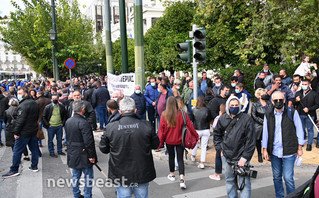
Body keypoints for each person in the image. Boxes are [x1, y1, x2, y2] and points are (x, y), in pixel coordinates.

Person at [99, 98, 159, 198]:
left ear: (120, 111)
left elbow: (103, 148)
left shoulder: (111, 127)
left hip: (120, 171)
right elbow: (155, 145)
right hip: (142, 170)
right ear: (135, 110)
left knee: (123, 196)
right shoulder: (146, 125)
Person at [262, 91, 306, 198]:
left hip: (289, 150)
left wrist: (300, 147)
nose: (278, 102)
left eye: (280, 100)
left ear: (284, 100)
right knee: (276, 177)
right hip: (274, 151)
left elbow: (300, 130)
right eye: (275, 100)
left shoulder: (292, 112)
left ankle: (292, 196)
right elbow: (265, 133)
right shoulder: (268, 114)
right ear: (272, 101)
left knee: (288, 178)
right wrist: (264, 149)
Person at [214, 96, 256, 198]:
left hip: (242, 157)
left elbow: (251, 140)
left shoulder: (246, 119)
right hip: (227, 155)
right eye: (232, 105)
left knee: (244, 182)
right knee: (229, 180)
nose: (234, 107)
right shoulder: (223, 119)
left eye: (236, 105)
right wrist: (220, 150)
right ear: (228, 106)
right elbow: (217, 135)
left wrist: (245, 157)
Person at [158, 96, 199, 189]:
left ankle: (172, 175)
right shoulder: (182, 113)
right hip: (180, 140)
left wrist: (159, 144)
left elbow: (161, 131)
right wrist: (196, 136)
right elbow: (190, 126)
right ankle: (182, 179)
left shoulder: (164, 115)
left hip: (169, 141)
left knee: (171, 157)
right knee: (180, 159)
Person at [2, 88, 39, 178]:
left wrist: (16, 132)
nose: (18, 94)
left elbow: (20, 121)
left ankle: (14, 170)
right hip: (32, 130)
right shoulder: (34, 103)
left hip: (24, 132)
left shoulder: (23, 105)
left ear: (25, 94)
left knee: (17, 151)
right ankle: (34, 166)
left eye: (20, 93)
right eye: (18, 92)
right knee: (34, 149)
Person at [65, 100, 97, 198]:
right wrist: (91, 155)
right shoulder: (84, 122)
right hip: (83, 153)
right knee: (88, 177)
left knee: (75, 176)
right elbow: (89, 141)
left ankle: (76, 194)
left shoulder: (68, 121)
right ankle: (87, 195)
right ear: (83, 109)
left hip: (72, 151)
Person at [294, 78, 319, 150]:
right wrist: (296, 100)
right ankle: (301, 142)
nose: (304, 86)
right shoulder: (298, 93)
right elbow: (294, 103)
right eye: (303, 84)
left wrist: (309, 109)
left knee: (310, 129)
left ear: (309, 85)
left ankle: (309, 144)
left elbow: (317, 104)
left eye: (306, 84)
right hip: (300, 114)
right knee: (300, 129)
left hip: (310, 114)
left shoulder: (314, 94)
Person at [251, 88, 273, 163]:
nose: (264, 95)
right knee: (258, 140)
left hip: (269, 124)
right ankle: (259, 154)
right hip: (259, 125)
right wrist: (262, 121)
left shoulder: (269, 103)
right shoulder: (255, 104)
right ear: (259, 95)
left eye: (265, 94)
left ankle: (267, 154)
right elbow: (253, 115)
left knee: (268, 139)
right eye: (263, 94)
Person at [191, 95, 212, 169]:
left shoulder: (194, 110)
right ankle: (202, 162)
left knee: (195, 144)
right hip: (206, 129)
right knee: (204, 146)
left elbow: (192, 120)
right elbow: (209, 119)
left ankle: (193, 156)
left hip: (197, 129)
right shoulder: (207, 110)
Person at [209, 103, 226, 181]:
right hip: (227, 141)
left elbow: (214, 127)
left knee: (218, 157)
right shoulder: (230, 118)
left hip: (220, 141)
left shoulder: (218, 118)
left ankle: (217, 173)